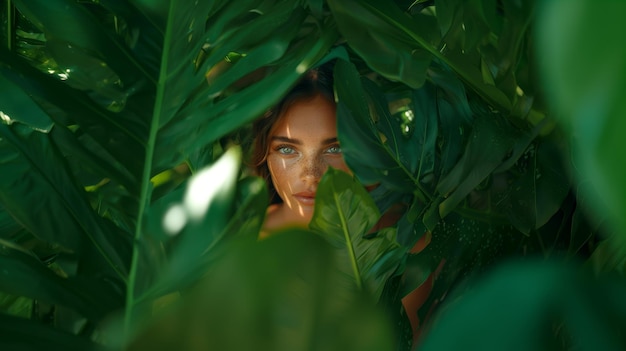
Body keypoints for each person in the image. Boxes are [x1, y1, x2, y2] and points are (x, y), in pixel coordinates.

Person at [249, 63, 351, 238]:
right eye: (287, 149)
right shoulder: (241, 243)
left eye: (335, 148)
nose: (311, 175)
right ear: (265, 154)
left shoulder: (401, 239)